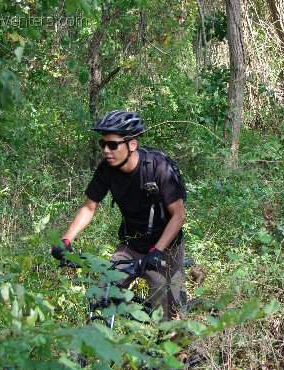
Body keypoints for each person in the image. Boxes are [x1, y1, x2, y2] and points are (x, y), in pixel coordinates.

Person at [52, 110, 186, 320]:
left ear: (132, 145)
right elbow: (89, 206)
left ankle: (179, 352)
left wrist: (157, 251)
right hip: (132, 244)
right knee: (102, 293)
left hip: (166, 245)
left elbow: (178, 215)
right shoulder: (107, 169)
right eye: (103, 145)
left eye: (113, 145)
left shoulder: (158, 168)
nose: (106, 150)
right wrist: (66, 240)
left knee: (170, 310)